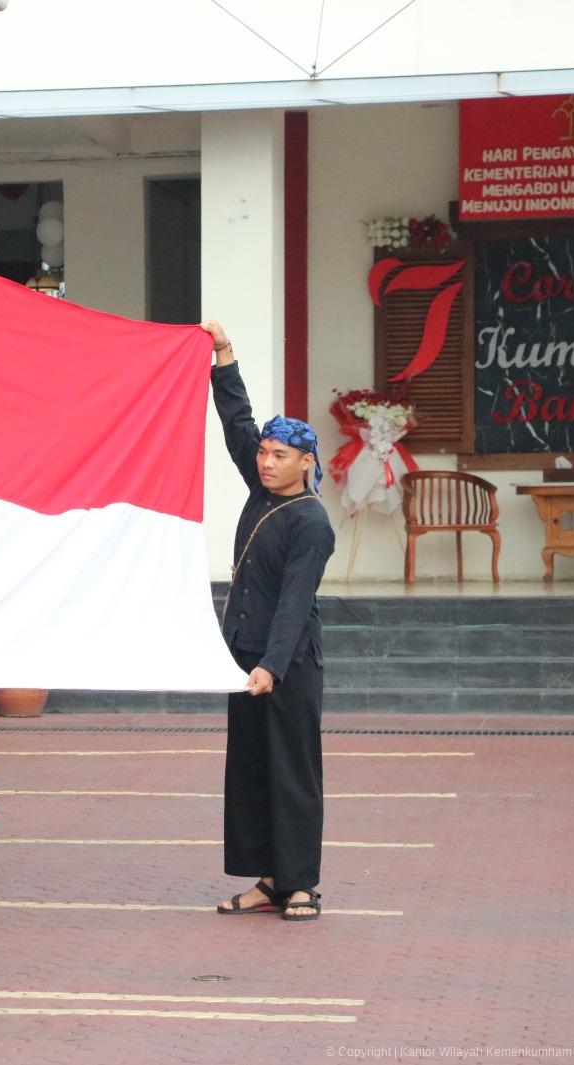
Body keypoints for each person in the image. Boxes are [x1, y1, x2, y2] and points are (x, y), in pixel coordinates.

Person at [203, 320, 337, 923]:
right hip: (245, 657)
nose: (264, 461)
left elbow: (294, 600)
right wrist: (223, 355)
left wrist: (270, 667)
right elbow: (236, 421)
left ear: (305, 463)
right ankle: (268, 878)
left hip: (285, 665)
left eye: (278, 455)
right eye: (262, 452)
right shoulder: (262, 493)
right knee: (252, 772)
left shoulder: (310, 522)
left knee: (293, 772)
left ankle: (301, 882)